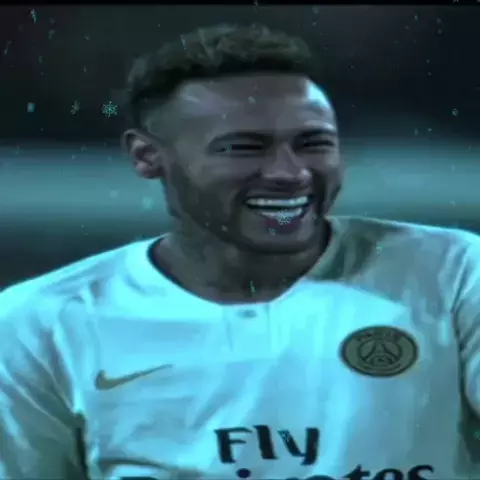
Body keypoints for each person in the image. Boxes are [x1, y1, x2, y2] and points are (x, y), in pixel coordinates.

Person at [0, 23, 480, 480]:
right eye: (244, 148)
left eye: (313, 143)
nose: (291, 173)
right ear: (147, 156)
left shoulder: (454, 273)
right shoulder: (42, 322)